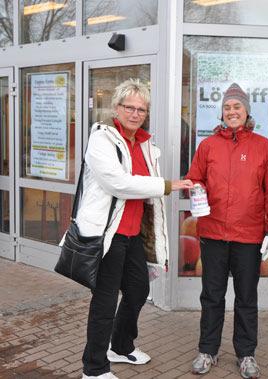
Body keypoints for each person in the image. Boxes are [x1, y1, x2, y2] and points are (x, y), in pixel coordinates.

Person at [71, 79, 193, 379]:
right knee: (105, 299)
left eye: (142, 109)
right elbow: (119, 183)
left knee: (138, 289)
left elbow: (143, 194)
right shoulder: (102, 140)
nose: (136, 114)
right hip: (107, 234)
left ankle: (121, 345)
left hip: (132, 234)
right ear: (117, 107)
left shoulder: (146, 144)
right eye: (130, 107)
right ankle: (94, 368)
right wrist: (167, 185)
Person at [185, 83, 268, 378]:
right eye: (227, 107)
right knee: (212, 296)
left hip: (249, 236)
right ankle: (207, 350)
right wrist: (198, 191)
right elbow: (194, 179)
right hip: (213, 233)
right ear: (222, 112)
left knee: (246, 298)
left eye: (237, 107)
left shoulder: (262, 146)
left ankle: (246, 354)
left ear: (247, 111)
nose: (232, 111)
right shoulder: (207, 146)